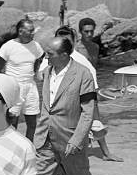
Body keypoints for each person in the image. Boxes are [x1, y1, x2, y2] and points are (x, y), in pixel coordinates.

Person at [30, 36, 97, 175]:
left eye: (50, 54)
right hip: (45, 138)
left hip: (70, 139)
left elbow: (88, 111)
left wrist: (77, 139)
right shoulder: (47, 72)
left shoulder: (83, 75)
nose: (46, 57)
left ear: (64, 55)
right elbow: (46, 104)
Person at [44, 25, 123, 162]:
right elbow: (41, 76)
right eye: (61, 40)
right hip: (59, 104)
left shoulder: (80, 60)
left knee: (94, 122)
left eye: (67, 40)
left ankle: (105, 152)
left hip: (83, 97)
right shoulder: (51, 60)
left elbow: (91, 80)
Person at [0, 18, 43, 141]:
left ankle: (28, 147)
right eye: (30, 31)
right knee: (12, 123)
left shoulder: (36, 46)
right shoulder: (8, 46)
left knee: (32, 123)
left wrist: (36, 72)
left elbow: (39, 59)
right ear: (21, 31)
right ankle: (11, 147)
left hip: (30, 86)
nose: (33, 33)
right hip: (14, 88)